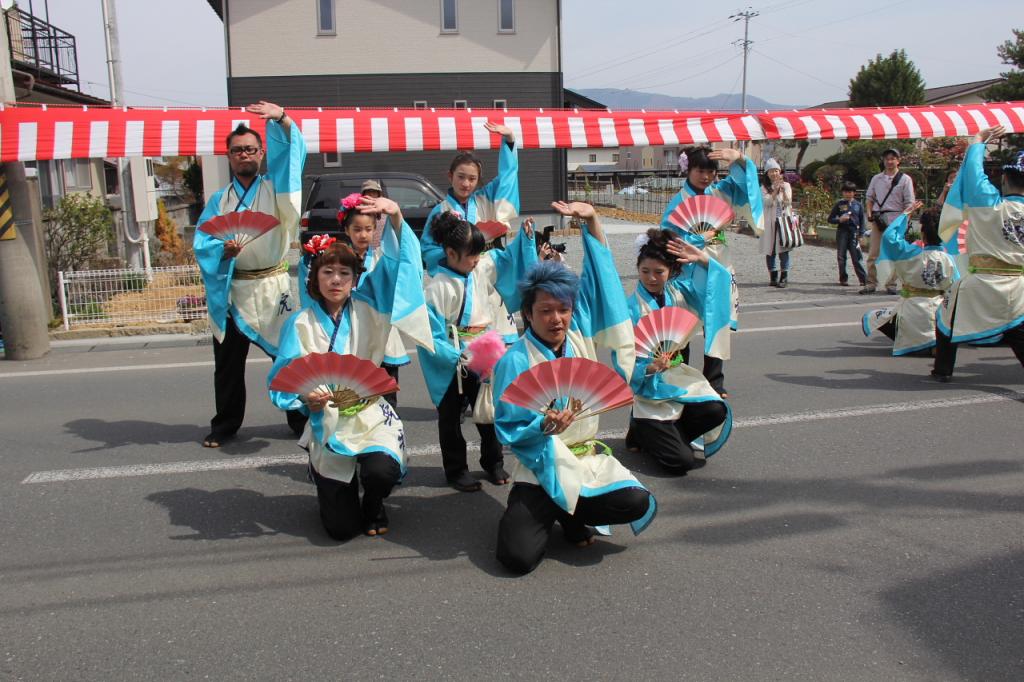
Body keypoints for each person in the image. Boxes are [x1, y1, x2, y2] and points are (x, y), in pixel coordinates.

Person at [493, 201, 655, 575]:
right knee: (516, 559)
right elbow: (507, 427)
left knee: (635, 501)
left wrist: (593, 221)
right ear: (528, 314)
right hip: (541, 465)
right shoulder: (514, 360)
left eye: (563, 309)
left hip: (584, 459)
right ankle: (549, 509)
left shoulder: (579, 331)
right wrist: (542, 426)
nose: (556, 318)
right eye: (545, 310)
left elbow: (602, 279)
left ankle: (571, 514)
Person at [268, 196, 429, 540]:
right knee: (341, 529)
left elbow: (401, 267)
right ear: (315, 277)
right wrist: (304, 399)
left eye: (345, 273)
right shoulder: (300, 324)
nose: (336, 280)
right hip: (328, 418)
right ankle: (332, 487)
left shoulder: (372, 307)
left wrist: (397, 216)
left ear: (356, 278)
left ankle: (373, 501)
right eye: (328, 272)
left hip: (368, 412)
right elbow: (282, 382)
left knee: (382, 472)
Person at [194, 101, 306, 448]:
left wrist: (284, 119)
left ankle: (300, 417)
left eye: (250, 149)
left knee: (290, 357)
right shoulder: (218, 201)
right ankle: (225, 425)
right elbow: (203, 242)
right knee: (227, 365)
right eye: (237, 151)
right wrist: (221, 252)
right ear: (229, 157)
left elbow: (292, 159)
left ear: (261, 153)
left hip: (274, 287)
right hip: (235, 289)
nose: (244, 155)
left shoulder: (276, 190)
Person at [417, 212, 538, 492]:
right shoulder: (436, 287)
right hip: (454, 358)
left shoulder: (480, 268)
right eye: (471, 255)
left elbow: (507, 260)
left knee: (488, 410)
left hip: (483, 353)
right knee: (450, 418)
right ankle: (456, 469)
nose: (476, 260)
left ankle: (493, 462)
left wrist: (526, 240)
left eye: (478, 253)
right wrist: (454, 356)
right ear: (450, 253)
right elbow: (431, 334)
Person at [659, 145, 764, 398]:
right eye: (700, 170)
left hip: (717, 263)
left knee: (716, 320)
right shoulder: (678, 202)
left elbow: (748, 191)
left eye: (710, 171)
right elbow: (668, 239)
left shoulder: (722, 192)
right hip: (687, 268)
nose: (705, 176)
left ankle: (715, 381)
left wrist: (739, 160)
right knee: (682, 323)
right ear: (688, 170)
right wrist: (699, 239)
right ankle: (678, 375)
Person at [625, 229, 732, 473]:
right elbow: (623, 358)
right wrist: (650, 368)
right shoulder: (630, 309)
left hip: (677, 374)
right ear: (637, 269)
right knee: (681, 463)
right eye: (645, 271)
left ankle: (662, 435)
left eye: (659, 272)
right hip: (649, 386)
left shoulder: (680, 293)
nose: (651, 278)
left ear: (672, 271)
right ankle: (643, 428)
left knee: (716, 409)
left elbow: (718, 288)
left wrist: (703, 259)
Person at [933, 126, 1024, 381]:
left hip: (980, 282)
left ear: (1005, 179)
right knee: (1018, 331)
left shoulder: (988, 204)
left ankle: (942, 370)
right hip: (1018, 286)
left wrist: (978, 142)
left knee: (945, 320)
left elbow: (973, 174)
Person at [421, 122, 521, 343]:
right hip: (457, 280)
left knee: (499, 343)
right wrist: (453, 259)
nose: (466, 183)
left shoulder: (486, 198)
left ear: (478, 180)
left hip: (489, 271)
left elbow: (508, 178)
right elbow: (427, 250)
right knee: (466, 344)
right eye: (461, 176)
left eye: (472, 178)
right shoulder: (440, 212)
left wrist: (509, 141)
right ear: (450, 176)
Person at [339, 186, 408, 409]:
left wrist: (396, 213)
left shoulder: (383, 258)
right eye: (357, 229)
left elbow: (405, 250)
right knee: (355, 396)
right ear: (346, 230)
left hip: (384, 332)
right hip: (354, 334)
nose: (363, 234)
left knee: (386, 397)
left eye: (368, 229)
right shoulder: (337, 261)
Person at [862, 203, 959, 355]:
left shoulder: (909, 253)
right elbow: (956, 289)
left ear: (922, 232)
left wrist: (905, 215)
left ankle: (912, 340)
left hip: (910, 310)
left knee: (872, 317)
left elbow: (889, 237)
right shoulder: (949, 259)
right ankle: (933, 342)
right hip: (938, 314)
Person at [863, 148, 915, 295]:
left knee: (894, 253)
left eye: (893, 158)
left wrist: (904, 222)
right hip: (879, 218)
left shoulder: (905, 179)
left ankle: (891, 283)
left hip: (896, 219)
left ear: (898, 160)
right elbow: (869, 198)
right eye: (887, 159)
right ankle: (871, 282)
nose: (889, 161)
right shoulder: (876, 178)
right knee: (873, 252)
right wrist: (869, 214)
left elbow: (909, 203)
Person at [760, 158, 795, 288]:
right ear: (767, 173)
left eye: (776, 171)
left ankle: (784, 277)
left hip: (783, 222)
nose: (774, 174)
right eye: (771, 171)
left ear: (779, 172)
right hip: (769, 222)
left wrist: (783, 190)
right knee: (770, 250)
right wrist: (774, 191)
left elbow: (788, 202)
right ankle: (773, 276)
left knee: (783, 250)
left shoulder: (786, 185)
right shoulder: (764, 187)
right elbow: (767, 202)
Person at [828, 181, 868, 287]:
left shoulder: (858, 205)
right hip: (842, 232)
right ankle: (843, 279)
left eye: (850, 192)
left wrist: (861, 234)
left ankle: (863, 279)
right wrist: (839, 220)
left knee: (856, 257)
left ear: (854, 193)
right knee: (841, 257)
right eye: (845, 192)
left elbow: (862, 220)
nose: (847, 194)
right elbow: (830, 219)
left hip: (854, 233)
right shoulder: (839, 204)